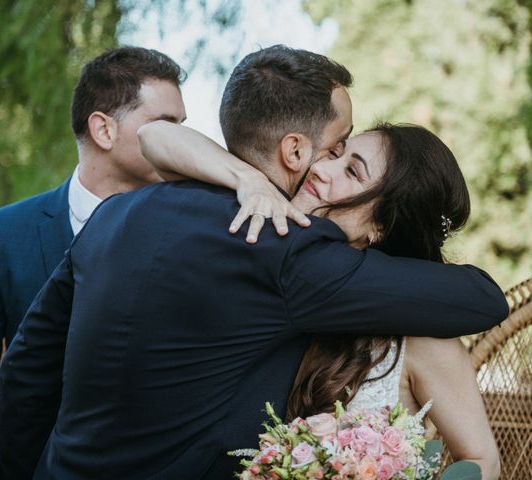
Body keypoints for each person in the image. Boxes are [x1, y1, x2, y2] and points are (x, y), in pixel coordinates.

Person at [0, 45, 507, 480]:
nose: (326, 167)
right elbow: (482, 298)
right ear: (294, 149)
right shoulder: (290, 251)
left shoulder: (116, 214)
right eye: (336, 147)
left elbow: (24, 370)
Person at [137, 121, 501, 479]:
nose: (322, 169)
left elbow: (482, 461)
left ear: (381, 227)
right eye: (335, 153)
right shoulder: (270, 239)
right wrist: (249, 178)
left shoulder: (420, 336)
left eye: (352, 171)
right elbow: (154, 134)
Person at [0, 46, 186, 479]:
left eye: (185, 127)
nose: (183, 141)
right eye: (166, 126)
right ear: (103, 130)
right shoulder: (4, 237)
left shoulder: (192, 230)